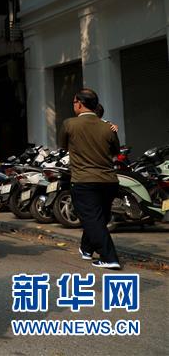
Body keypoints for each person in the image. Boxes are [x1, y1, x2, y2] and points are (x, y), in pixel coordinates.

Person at [59, 88, 122, 269]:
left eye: (73, 102)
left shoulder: (69, 125)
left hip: (83, 180)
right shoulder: (109, 128)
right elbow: (116, 151)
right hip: (109, 180)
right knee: (97, 218)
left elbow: (63, 146)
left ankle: (109, 257)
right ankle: (86, 249)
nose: (73, 105)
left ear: (79, 103)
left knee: (92, 219)